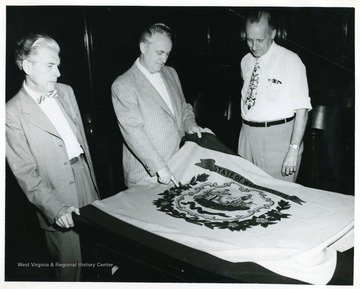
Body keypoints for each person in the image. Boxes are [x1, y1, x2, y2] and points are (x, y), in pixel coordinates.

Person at [6, 33, 99, 281]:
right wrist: (55, 208)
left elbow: (82, 144)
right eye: (50, 66)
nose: (58, 73)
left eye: (58, 65)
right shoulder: (11, 113)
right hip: (55, 195)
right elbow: (26, 174)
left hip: (85, 181)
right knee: (70, 269)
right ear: (27, 66)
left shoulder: (66, 92)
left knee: (99, 257)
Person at [112, 23, 202, 188]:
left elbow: (183, 106)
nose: (164, 59)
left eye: (167, 54)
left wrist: (190, 124)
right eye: (159, 53)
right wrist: (159, 166)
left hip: (179, 163)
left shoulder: (171, 72)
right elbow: (133, 132)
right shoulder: (124, 84)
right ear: (143, 47)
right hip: (148, 174)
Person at [238, 10, 312, 182]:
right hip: (246, 136)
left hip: (277, 140)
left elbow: (302, 110)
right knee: (245, 195)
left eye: (260, 40)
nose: (254, 46)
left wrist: (293, 149)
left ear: (273, 34)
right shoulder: (245, 61)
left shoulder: (291, 61)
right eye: (249, 39)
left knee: (277, 199)